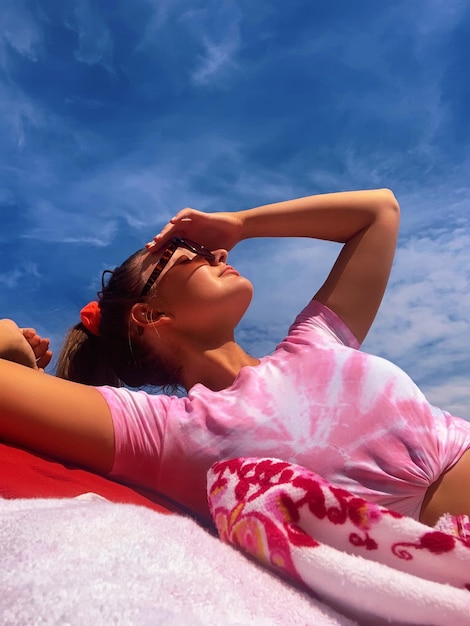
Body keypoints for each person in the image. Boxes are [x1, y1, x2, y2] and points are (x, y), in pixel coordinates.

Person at [1, 189, 469, 527]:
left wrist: (242, 223)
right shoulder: (162, 431)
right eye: (188, 255)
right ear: (151, 313)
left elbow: (378, 211)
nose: (218, 252)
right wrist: (4, 338)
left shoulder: (316, 339)